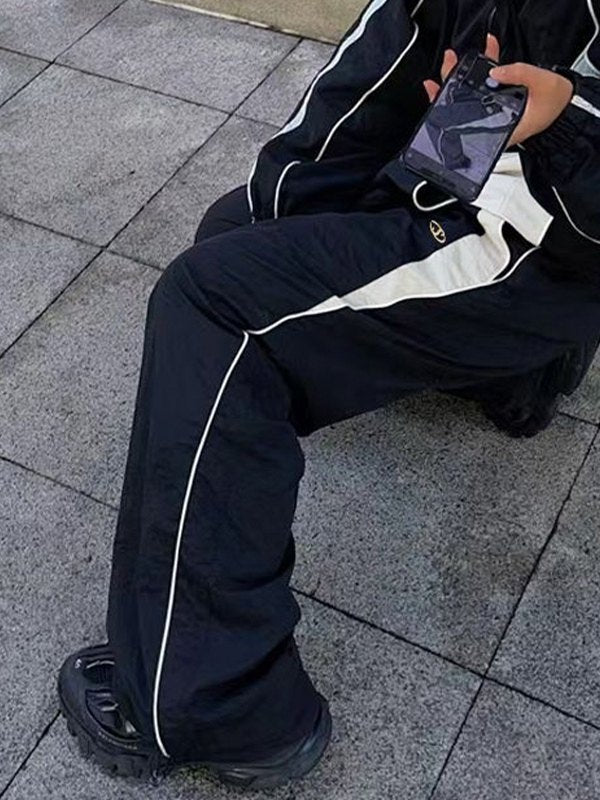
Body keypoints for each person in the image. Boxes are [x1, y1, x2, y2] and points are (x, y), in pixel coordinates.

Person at [57, 0, 600, 789]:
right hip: (477, 149)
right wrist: (272, 212)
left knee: (214, 309)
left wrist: (566, 127)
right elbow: (377, 68)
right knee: (233, 238)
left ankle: (221, 708)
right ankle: (515, 374)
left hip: (547, 233)